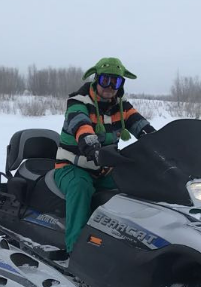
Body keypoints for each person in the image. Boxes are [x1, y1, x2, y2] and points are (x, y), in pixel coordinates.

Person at [53, 57, 157, 254]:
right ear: (96, 79)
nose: (110, 86)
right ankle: (76, 252)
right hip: (71, 167)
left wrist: (159, 143)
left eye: (115, 82)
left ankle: (132, 245)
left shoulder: (122, 106)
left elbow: (141, 126)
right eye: (105, 80)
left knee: (136, 185)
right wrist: (90, 144)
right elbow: (80, 124)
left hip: (105, 168)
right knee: (80, 187)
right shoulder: (78, 101)